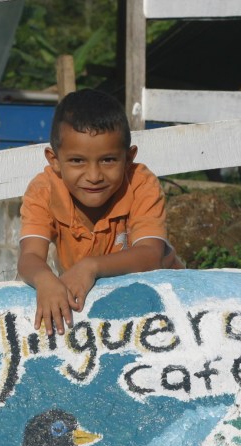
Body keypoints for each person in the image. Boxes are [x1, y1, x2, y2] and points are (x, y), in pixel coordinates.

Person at [18, 89, 181, 335]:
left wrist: (91, 266)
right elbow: (29, 256)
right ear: (54, 160)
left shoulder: (140, 184)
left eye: (108, 160)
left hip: (165, 303)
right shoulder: (44, 190)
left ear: (128, 159)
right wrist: (44, 280)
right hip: (98, 311)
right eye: (77, 161)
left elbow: (151, 255)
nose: (93, 176)